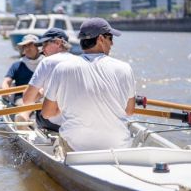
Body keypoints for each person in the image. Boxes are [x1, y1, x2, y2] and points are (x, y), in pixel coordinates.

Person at [42, 17, 136, 152]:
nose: (112, 43)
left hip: (76, 147)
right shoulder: (125, 68)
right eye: (110, 38)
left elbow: (46, 113)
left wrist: (63, 106)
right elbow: (129, 110)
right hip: (118, 146)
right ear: (101, 39)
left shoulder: (62, 68)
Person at [17, 28, 77, 131]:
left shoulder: (46, 62)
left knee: (37, 108)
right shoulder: (80, 60)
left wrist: (40, 93)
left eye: (45, 44)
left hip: (55, 124)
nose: (42, 49)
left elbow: (27, 100)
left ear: (58, 43)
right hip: (77, 122)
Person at [1, 34, 44, 105]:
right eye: (25, 46)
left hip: (42, 96)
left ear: (37, 47)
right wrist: (5, 90)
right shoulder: (17, 65)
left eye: (30, 45)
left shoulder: (47, 63)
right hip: (22, 98)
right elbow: (6, 81)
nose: (27, 48)